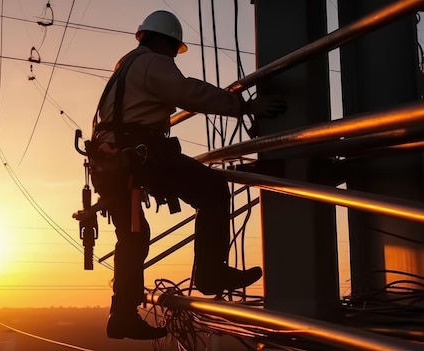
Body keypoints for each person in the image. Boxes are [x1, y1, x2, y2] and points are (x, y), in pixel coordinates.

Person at [87, 10, 287, 340]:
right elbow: (188, 92)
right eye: (174, 49)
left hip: (109, 162)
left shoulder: (126, 66)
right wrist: (244, 107)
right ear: (165, 42)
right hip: (137, 157)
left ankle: (122, 315)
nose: (172, 57)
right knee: (212, 190)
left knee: (133, 238)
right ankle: (210, 272)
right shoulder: (153, 63)